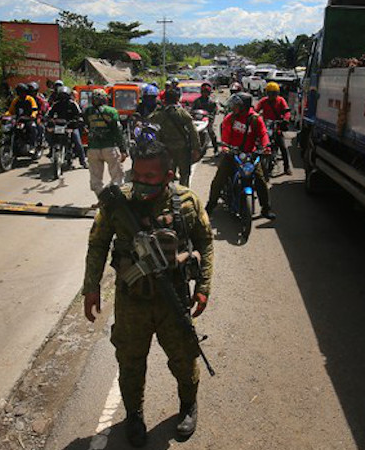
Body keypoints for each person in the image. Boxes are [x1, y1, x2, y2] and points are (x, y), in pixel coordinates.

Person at [82, 140, 214, 446]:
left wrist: (203, 287)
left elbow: (205, 242)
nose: (141, 182)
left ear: (169, 175)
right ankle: (134, 415)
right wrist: (91, 288)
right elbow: (98, 243)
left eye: (150, 177)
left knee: (183, 358)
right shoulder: (117, 202)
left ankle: (188, 405)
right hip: (132, 301)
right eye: (136, 175)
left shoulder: (187, 202)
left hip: (174, 298)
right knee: (130, 362)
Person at [205, 92, 276, 220]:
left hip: (250, 155)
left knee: (261, 180)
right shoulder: (230, 118)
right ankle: (211, 205)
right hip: (232, 153)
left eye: (236, 106)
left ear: (244, 106)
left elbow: (263, 134)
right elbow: (225, 134)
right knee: (218, 179)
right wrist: (225, 147)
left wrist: (266, 147)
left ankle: (266, 208)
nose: (233, 108)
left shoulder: (255, 119)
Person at [149, 88, 200, 187]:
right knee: (184, 173)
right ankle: (184, 193)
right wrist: (196, 148)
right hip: (183, 148)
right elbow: (193, 131)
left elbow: (150, 120)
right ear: (177, 99)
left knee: (168, 173)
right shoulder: (182, 112)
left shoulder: (160, 113)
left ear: (164, 100)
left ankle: (169, 193)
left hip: (167, 148)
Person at [83, 88, 127, 195]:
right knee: (117, 177)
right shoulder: (111, 111)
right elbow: (118, 131)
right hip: (110, 148)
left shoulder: (88, 111)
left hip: (93, 148)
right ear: (105, 99)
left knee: (96, 179)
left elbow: (86, 125)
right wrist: (123, 149)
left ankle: (102, 199)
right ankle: (116, 200)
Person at [255, 82, 293, 175]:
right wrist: (253, 116)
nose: (272, 95)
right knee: (257, 144)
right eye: (270, 93)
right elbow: (256, 109)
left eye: (274, 93)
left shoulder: (281, 100)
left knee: (283, 147)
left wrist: (286, 119)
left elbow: (287, 112)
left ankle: (286, 167)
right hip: (266, 126)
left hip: (277, 127)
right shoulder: (264, 101)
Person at [47, 86, 87, 168]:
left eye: (65, 96)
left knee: (78, 143)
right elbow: (49, 114)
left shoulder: (73, 104)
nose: (63, 98)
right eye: (61, 96)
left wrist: (78, 120)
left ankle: (83, 162)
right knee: (49, 133)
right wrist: (48, 119)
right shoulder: (56, 104)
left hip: (71, 126)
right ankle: (51, 150)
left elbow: (79, 114)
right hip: (59, 126)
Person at [190, 81, 219, 153]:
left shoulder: (211, 102)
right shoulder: (197, 101)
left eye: (206, 91)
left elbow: (214, 111)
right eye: (203, 91)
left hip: (207, 119)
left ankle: (216, 148)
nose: (205, 93)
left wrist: (211, 115)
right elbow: (193, 109)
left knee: (210, 131)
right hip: (198, 119)